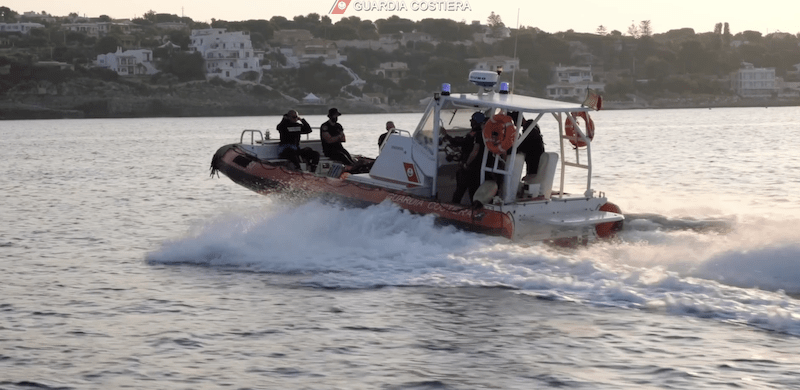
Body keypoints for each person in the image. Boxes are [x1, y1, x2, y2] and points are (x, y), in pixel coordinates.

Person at [448, 112, 486, 205]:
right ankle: (474, 209)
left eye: (472, 120)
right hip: (478, 169)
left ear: (476, 122)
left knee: (460, 190)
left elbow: (470, 148)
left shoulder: (476, 135)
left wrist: (466, 164)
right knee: (473, 192)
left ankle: (453, 208)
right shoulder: (485, 135)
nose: (470, 122)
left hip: (469, 168)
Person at [509, 111, 545, 176]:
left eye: (514, 123)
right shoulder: (532, 126)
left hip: (534, 160)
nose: (515, 125)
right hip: (536, 157)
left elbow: (522, 146)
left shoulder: (529, 131)